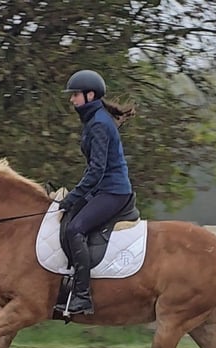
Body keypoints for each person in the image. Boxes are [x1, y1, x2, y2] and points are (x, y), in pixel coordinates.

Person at [54, 69, 136, 315]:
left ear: (90, 95)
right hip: (104, 189)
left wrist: (73, 197)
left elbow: (96, 170)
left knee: (74, 228)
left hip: (113, 192)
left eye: (76, 95)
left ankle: (82, 296)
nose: (72, 100)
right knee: (67, 221)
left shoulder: (99, 123)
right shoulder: (95, 119)